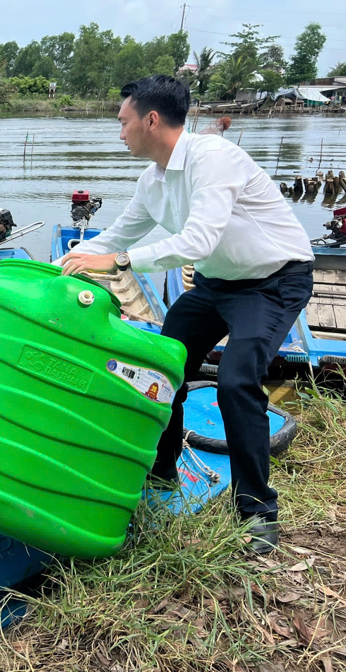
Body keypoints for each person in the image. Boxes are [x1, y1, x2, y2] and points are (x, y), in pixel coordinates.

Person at [59, 75, 314, 554]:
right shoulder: (152, 179)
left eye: (124, 122)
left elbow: (197, 242)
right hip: (218, 283)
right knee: (162, 365)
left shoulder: (212, 158)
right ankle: (162, 472)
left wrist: (117, 264)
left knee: (237, 380)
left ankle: (258, 511)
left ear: (151, 120)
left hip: (273, 280)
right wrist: (51, 273)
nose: (120, 133)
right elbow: (113, 237)